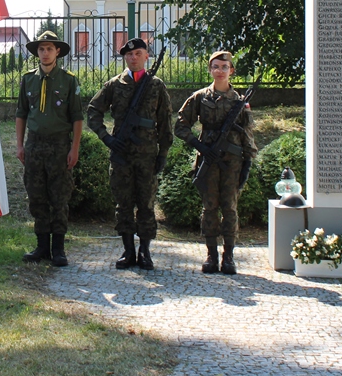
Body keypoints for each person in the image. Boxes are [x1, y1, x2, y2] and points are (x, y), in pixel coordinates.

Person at [86, 37, 173, 270]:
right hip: (121, 154)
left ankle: (145, 251)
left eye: (138, 54)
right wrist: (106, 138)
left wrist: (163, 153)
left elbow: (165, 122)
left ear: (146, 56)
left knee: (146, 203)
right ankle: (128, 250)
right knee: (123, 204)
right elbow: (93, 111)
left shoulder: (156, 85)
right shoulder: (114, 84)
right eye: (129, 54)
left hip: (147, 155)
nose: (133, 58)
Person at [175, 51, 257, 275]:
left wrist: (248, 162)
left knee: (230, 208)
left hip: (233, 162)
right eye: (216, 67)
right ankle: (211, 254)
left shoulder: (240, 102)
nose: (220, 71)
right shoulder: (200, 97)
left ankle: (228, 256)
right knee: (209, 207)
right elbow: (180, 125)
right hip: (209, 160)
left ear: (232, 70)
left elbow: (248, 133)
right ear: (210, 70)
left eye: (224, 67)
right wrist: (199, 145)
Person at [16, 30, 83, 267]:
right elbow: (21, 113)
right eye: (41, 49)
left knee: (59, 196)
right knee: (37, 196)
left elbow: (77, 117)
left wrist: (74, 148)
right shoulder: (28, 79)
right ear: (37, 52)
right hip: (34, 144)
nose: (45, 53)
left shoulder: (68, 80)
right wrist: (20, 145)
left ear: (57, 52)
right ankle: (42, 246)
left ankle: (59, 249)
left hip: (59, 145)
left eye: (50, 49)